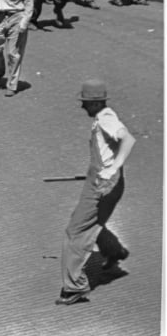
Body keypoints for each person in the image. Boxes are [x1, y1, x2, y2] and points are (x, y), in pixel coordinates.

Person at [56, 79, 135, 305]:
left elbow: (128, 139)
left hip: (102, 186)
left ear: (95, 103)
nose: (82, 107)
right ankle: (114, 251)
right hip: (102, 183)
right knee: (90, 222)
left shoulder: (106, 119)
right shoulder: (104, 117)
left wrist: (113, 167)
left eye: (85, 103)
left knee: (75, 232)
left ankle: (75, 287)